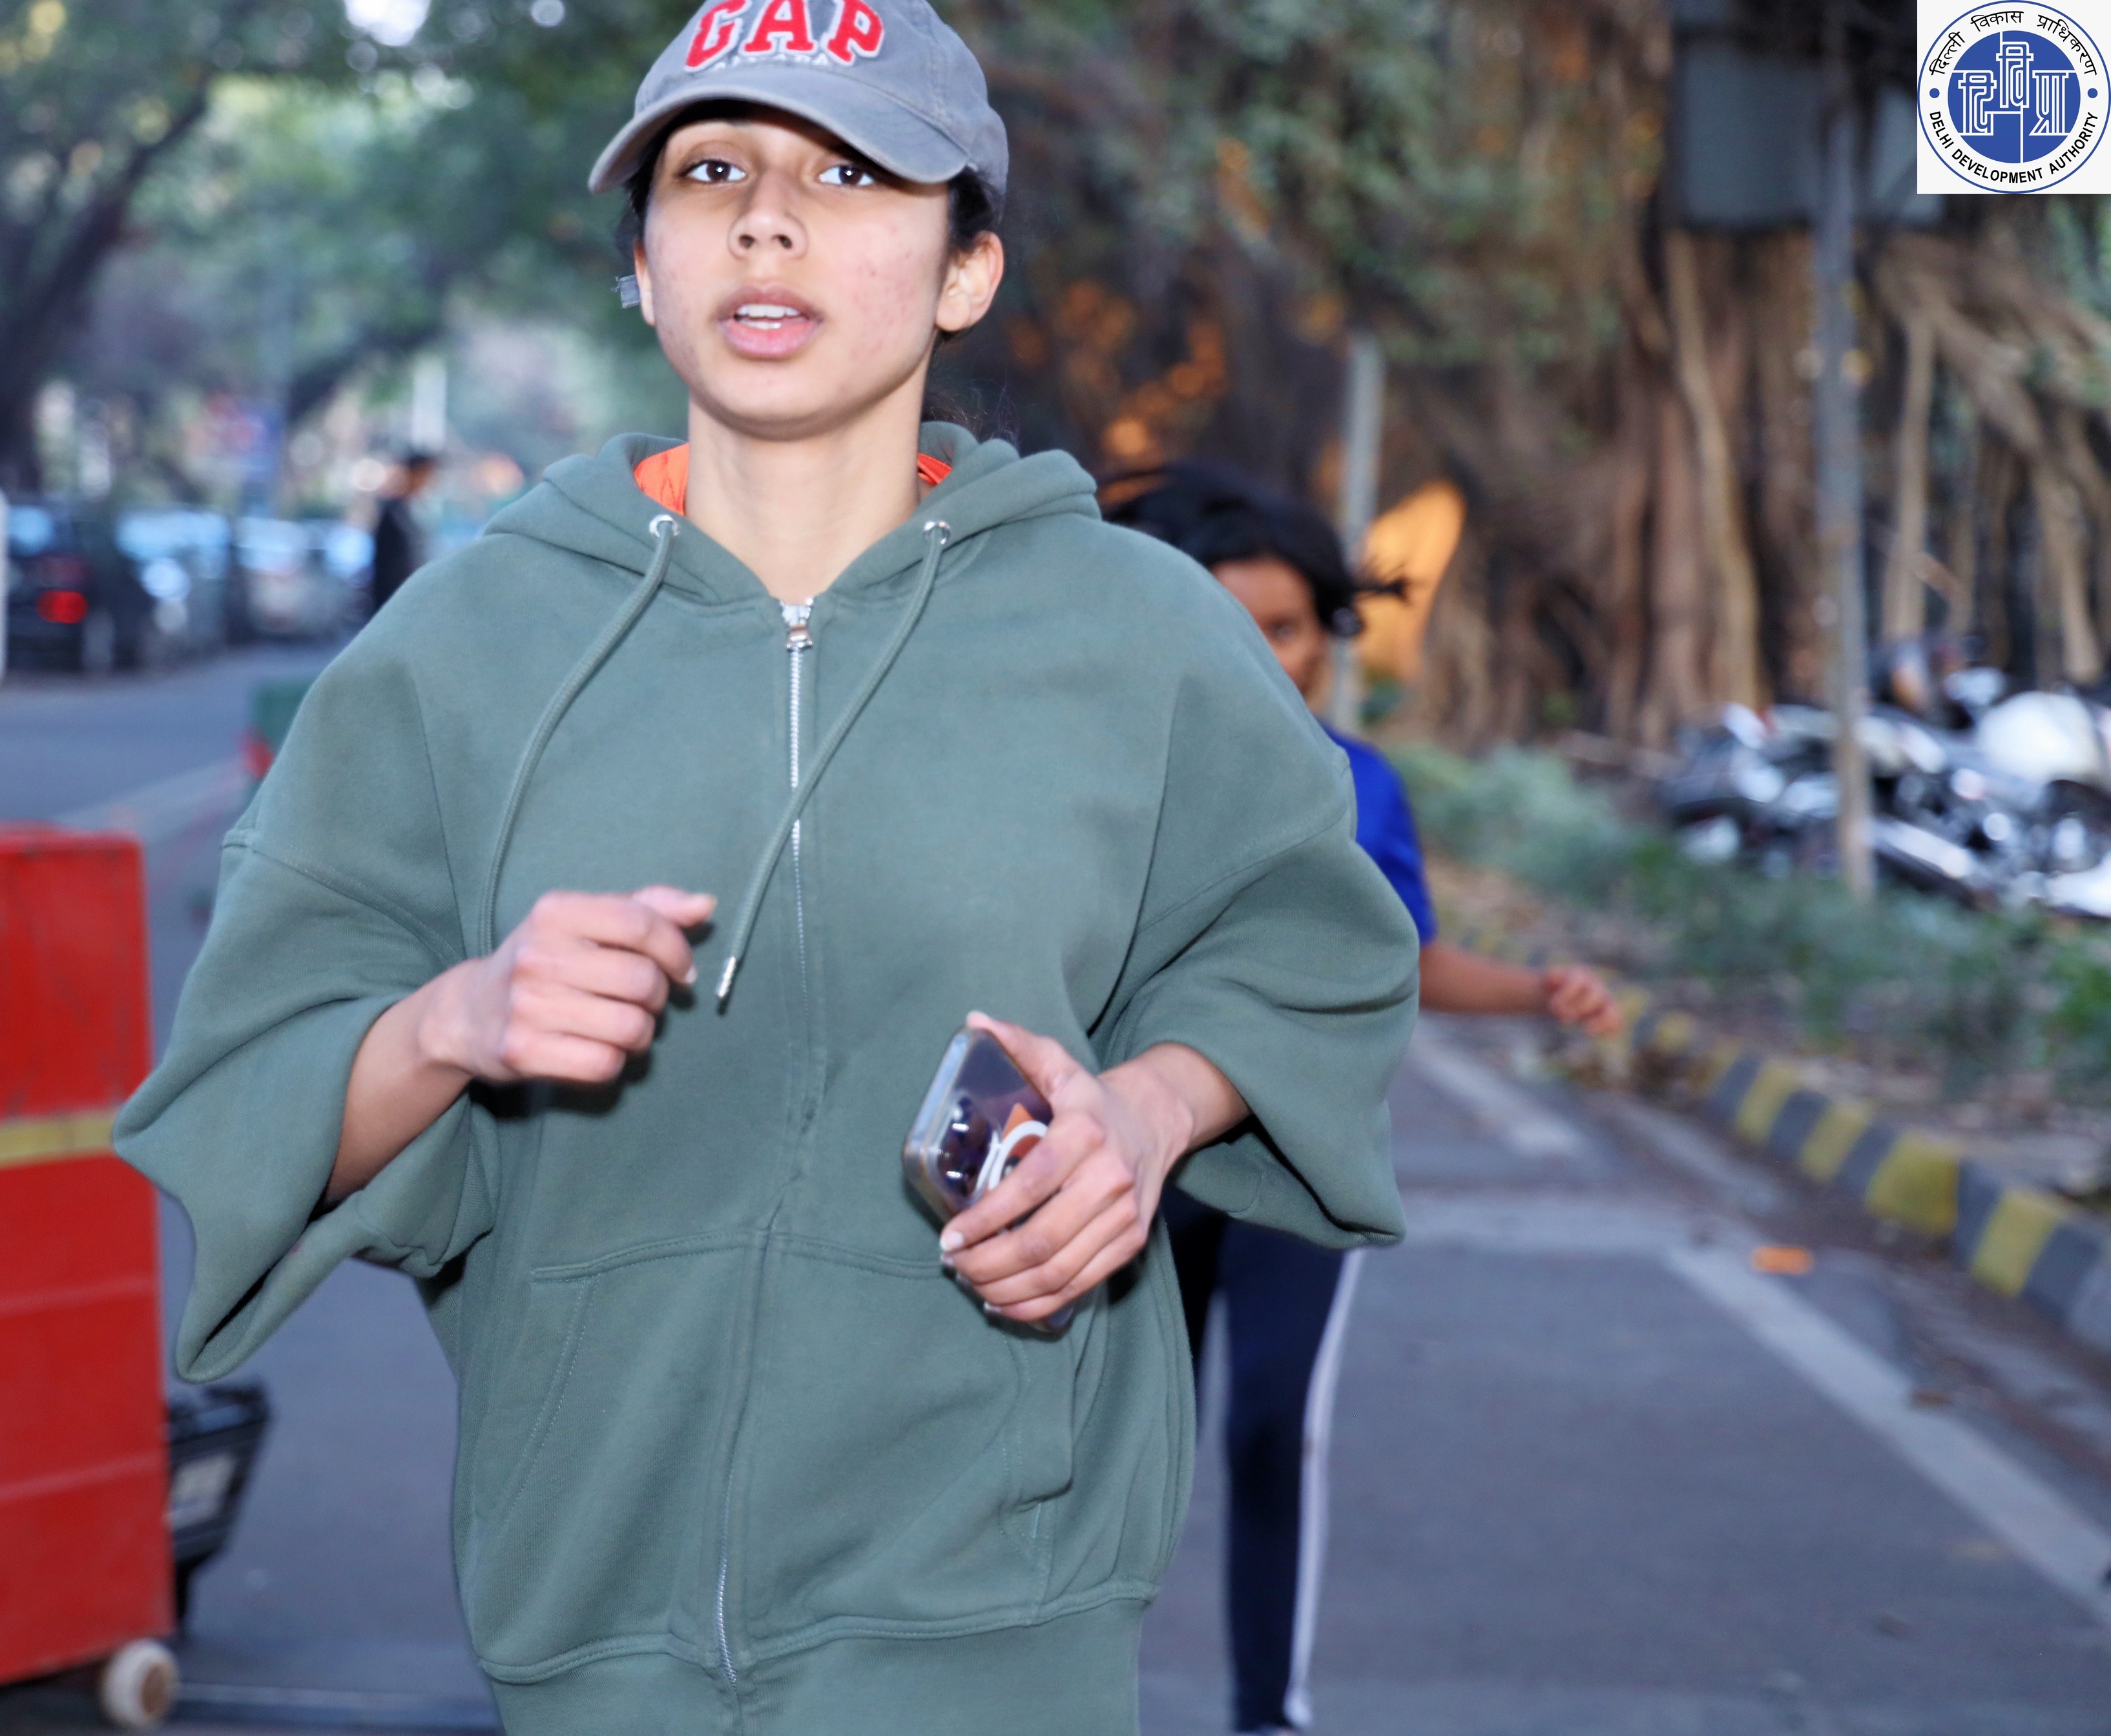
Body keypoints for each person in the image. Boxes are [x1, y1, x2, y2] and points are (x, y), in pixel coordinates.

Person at [118, 8, 1419, 1732]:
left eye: (852, 174)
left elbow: (1312, 949)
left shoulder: (1136, 632)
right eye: (711, 170)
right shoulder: (466, 647)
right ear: (643, 265)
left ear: (968, 271)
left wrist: (1152, 1110)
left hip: (1001, 1636)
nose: (767, 221)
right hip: (588, 1636)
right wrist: (457, 1020)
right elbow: (248, 1087)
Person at [1108, 463, 1623, 1735]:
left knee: (1269, 1427)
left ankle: (1267, 1714)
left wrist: (1535, 990)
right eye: (1226, 621)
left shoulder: (1361, 785)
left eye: (1286, 627)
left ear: (1325, 637)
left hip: (1296, 1161)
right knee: (1111, 1454)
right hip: (1125, 1165)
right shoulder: (1096, 775)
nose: (1262, 653)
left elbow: (1408, 959)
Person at [364, 448, 440, 619]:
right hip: (396, 600)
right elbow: (385, 565)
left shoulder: (421, 510)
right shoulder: (394, 513)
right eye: (424, 474)